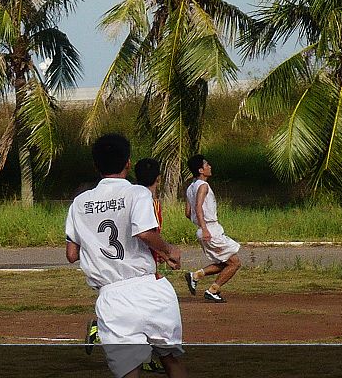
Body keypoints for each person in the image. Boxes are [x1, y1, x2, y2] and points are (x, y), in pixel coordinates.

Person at [66, 134, 187, 378]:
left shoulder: (79, 203)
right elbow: (145, 232)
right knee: (170, 359)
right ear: (128, 163)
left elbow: (71, 254)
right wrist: (168, 251)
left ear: (96, 165)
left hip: (113, 297)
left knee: (129, 371)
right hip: (150, 289)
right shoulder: (137, 193)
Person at [183, 154, 241, 303]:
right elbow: (198, 207)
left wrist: (200, 226)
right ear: (201, 170)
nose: (210, 167)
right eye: (207, 165)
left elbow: (188, 213)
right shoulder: (203, 186)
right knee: (235, 263)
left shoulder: (190, 188)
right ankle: (212, 290)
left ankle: (196, 276)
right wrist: (205, 228)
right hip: (210, 229)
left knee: (225, 262)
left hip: (204, 228)